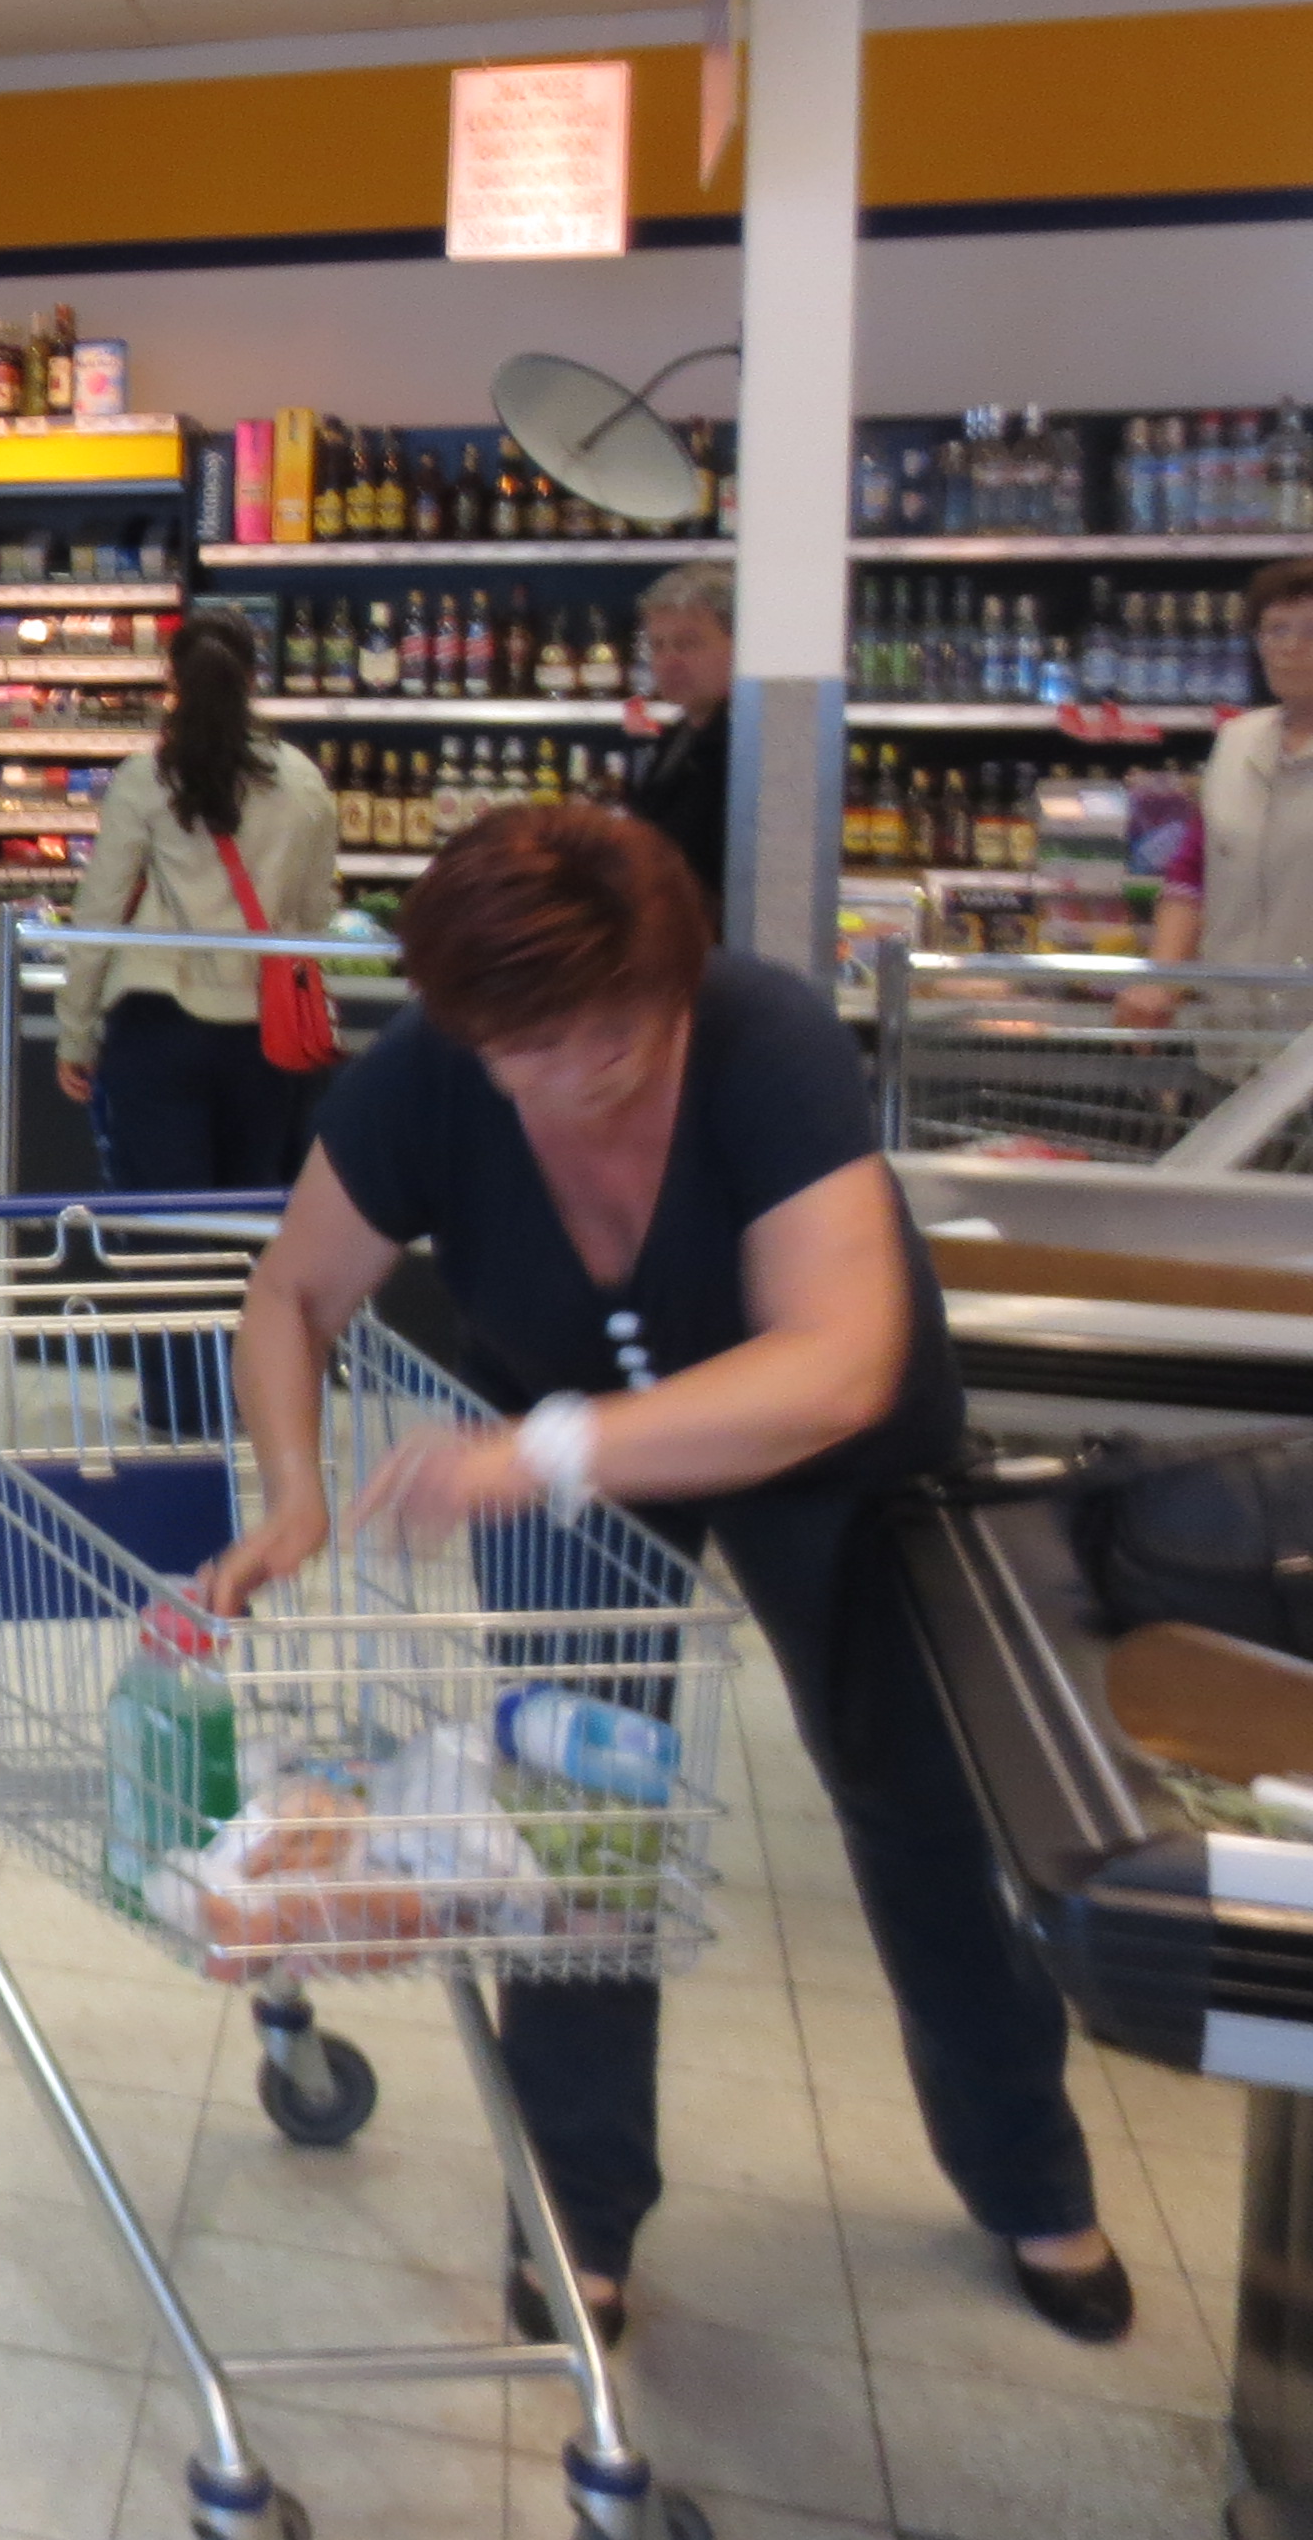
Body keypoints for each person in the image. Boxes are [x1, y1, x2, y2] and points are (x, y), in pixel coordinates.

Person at [203, 805, 1126, 2348]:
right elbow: (293, 1292)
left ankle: (1029, 2172)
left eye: (617, 1034)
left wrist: (540, 1450)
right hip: (558, 1452)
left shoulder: (766, 1041)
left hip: (824, 1455)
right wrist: (294, 1490)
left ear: (675, 984)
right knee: (577, 1816)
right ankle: (577, 2209)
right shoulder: (430, 1076)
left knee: (915, 1799)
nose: (581, 1074)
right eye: (530, 1048)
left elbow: (838, 1363)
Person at [54, 612, 338, 1207]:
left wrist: (76, 1033)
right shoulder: (303, 781)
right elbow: (314, 916)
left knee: (167, 1230)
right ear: (253, 679)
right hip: (268, 1033)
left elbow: (100, 913)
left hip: (157, 1023)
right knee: (254, 1221)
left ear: (173, 680)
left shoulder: (147, 778)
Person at [1135, 556, 1313, 1001]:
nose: (1291, 647)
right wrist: (1161, 981)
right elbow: (1193, 870)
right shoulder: (1237, 741)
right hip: (1232, 1025)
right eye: (1276, 630)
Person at [624, 561, 732, 911]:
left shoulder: (750, 747)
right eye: (658, 646)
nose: (669, 661)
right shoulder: (677, 736)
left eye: (687, 644)